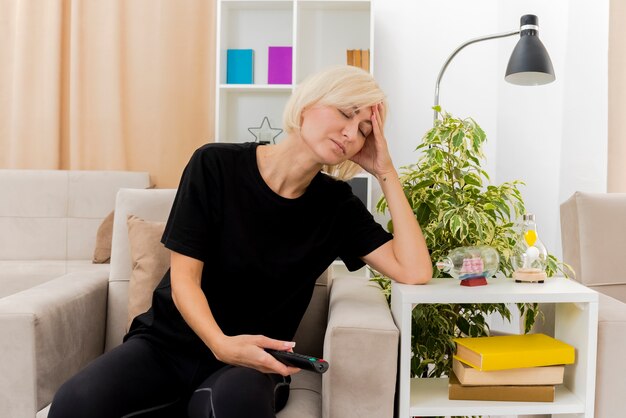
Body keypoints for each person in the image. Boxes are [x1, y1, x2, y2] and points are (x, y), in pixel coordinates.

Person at [49, 65, 432, 418]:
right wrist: (218, 342)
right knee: (73, 402)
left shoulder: (338, 207)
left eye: (365, 130)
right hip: (167, 345)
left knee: (232, 405)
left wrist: (385, 170)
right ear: (307, 105)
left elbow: (414, 271)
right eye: (347, 113)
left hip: (251, 362)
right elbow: (184, 281)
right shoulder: (214, 165)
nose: (352, 133)